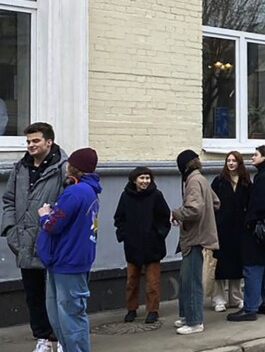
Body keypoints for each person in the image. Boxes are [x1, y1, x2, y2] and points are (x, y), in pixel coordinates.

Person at [1, 122, 67, 352]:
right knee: (34, 295)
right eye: (28, 141)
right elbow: (8, 200)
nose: (30, 145)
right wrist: (11, 230)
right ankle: (42, 339)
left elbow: (69, 204)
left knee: (58, 294)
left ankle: (61, 339)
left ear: (49, 141)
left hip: (52, 242)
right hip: (24, 242)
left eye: (35, 141)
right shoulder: (21, 168)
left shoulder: (63, 168)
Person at [36, 148, 101, 352]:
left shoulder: (75, 192)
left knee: (70, 317)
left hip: (67, 261)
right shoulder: (88, 191)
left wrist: (45, 214)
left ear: (73, 167)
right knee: (60, 315)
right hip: (67, 260)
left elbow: (53, 225)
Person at [228, 146, 265, 321]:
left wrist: (249, 222)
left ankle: (250, 308)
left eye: (255, 155)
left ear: (264, 157)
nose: (252, 158)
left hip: (259, 232)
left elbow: (262, 204)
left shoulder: (263, 177)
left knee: (252, 268)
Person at [113, 167, 171, 324]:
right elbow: (119, 218)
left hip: (152, 246)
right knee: (131, 281)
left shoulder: (157, 196)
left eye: (147, 178)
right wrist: (124, 234)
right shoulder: (126, 196)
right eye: (142, 178)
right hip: (132, 246)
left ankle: (152, 310)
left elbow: (165, 218)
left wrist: (158, 234)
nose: (145, 181)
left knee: (152, 282)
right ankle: (131, 309)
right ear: (134, 180)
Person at [172, 150, 220, 335]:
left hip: (194, 238)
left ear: (183, 166)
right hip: (197, 236)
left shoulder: (193, 181)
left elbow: (194, 210)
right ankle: (186, 317)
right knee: (186, 279)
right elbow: (215, 203)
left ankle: (194, 322)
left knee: (191, 281)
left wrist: (176, 213)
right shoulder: (201, 179)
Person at [210, 151, 250, 313]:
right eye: (229, 160)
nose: (231, 163)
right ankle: (218, 299)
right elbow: (211, 203)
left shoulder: (245, 181)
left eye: (234, 161)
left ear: (239, 163)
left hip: (239, 229)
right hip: (221, 229)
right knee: (219, 266)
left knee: (236, 265)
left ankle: (236, 298)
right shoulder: (219, 181)